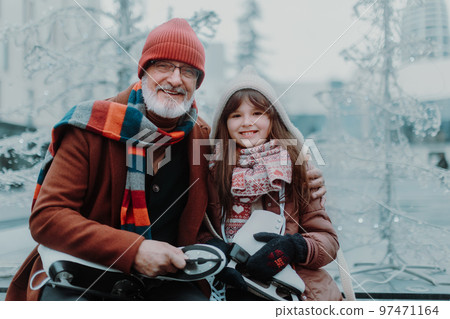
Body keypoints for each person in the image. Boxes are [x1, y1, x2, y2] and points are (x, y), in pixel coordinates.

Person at [6, 19, 326, 301]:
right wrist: (134, 252)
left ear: (197, 83)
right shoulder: (92, 127)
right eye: (164, 66)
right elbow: (47, 217)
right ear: (143, 70)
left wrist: (305, 171)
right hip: (85, 277)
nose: (175, 79)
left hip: (169, 281)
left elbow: (255, 155)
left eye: (188, 71)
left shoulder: (201, 137)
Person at [203, 66, 342, 301]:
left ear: (272, 117)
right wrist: (218, 252)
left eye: (257, 113)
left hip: (289, 290)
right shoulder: (212, 170)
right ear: (224, 124)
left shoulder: (298, 168)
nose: (247, 122)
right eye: (236, 115)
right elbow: (198, 232)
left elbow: (328, 242)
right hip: (229, 289)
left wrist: (292, 248)